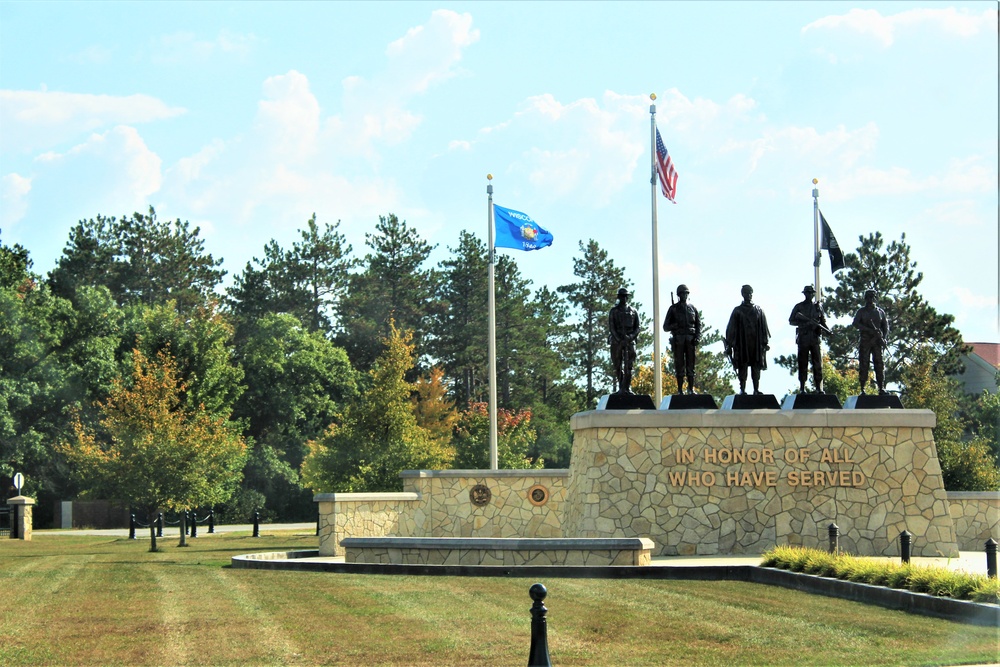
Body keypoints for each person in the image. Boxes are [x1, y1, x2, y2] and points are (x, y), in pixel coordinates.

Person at [725, 284, 771, 395]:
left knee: (756, 366)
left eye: (750, 293)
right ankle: (742, 389)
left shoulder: (759, 310)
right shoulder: (737, 311)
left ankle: (756, 389)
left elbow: (764, 328)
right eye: (746, 293)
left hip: (756, 343)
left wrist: (765, 342)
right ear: (742, 294)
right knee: (743, 366)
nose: (749, 295)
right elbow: (731, 329)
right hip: (742, 343)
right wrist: (729, 345)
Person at [788, 285, 828, 393]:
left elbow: (823, 322)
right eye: (808, 293)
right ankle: (802, 387)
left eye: (811, 293)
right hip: (804, 337)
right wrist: (805, 323)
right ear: (804, 294)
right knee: (803, 363)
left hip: (815, 337)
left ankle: (819, 387)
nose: (810, 295)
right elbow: (791, 321)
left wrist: (828, 331)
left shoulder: (818, 307)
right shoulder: (799, 307)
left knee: (817, 363)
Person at [663, 284, 701, 395]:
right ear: (678, 295)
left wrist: (697, 337)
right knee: (679, 365)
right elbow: (665, 326)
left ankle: (690, 388)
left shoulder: (693, 308)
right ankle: (680, 389)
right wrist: (674, 326)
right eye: (682, 294)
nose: (684, 295)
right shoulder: (673, 309)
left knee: (691, 365)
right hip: (679, 339)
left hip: (690, 339)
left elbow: (698, 324)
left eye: (686, 293)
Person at [852, 288, 889, 395]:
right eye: (868, 297)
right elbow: (855, 324)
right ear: (865, 298)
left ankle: (881, 388)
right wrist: (869, 330)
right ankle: (862, 388)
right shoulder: (861, 311)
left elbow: (885, 327)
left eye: (872, 297)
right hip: (865, 341)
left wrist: (884, 338)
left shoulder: (880, 312)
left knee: (879, 364)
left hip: (877, 342)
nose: (871, 299)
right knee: (864, 364)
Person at [608, 287, 640, 394]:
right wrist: (618, 339)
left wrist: (630, 337)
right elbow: (611, 327)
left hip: (630, 341)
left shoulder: (634, 311)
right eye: (622, 296)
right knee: (617, 364)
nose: (624, 298)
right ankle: (621, 387)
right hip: (617, 341)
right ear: (619, 297)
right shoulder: (614, 311)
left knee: (629, 366)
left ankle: (627, 387)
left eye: (626, 296)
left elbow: (638, 327)